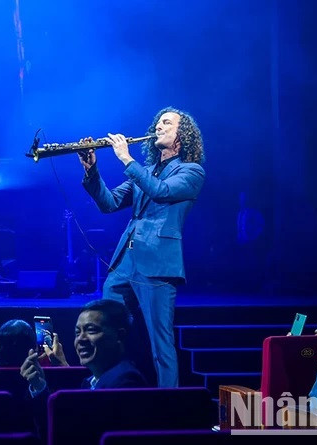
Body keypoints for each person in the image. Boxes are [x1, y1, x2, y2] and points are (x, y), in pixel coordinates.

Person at [79, 107, 205, 387]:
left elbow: (162, 192)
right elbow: (109, 203)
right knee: (106, 327)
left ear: (182, 136)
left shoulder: (192, 172)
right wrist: (92, 170)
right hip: (125, 262)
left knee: (161, 343)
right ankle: (106, 387)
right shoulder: (144, 172)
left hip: (159, 263)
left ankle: (167, 409)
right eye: (158, 122)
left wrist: (125, 158)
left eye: (167, 123)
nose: (159, 126)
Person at [21, 299, 146, 396]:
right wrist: (43, 382)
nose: (81, 339)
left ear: (119, 335)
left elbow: (75, 426)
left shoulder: (125, 381)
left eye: (91, 330)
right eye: (77, 332)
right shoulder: (92, 381)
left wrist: (41, 390)